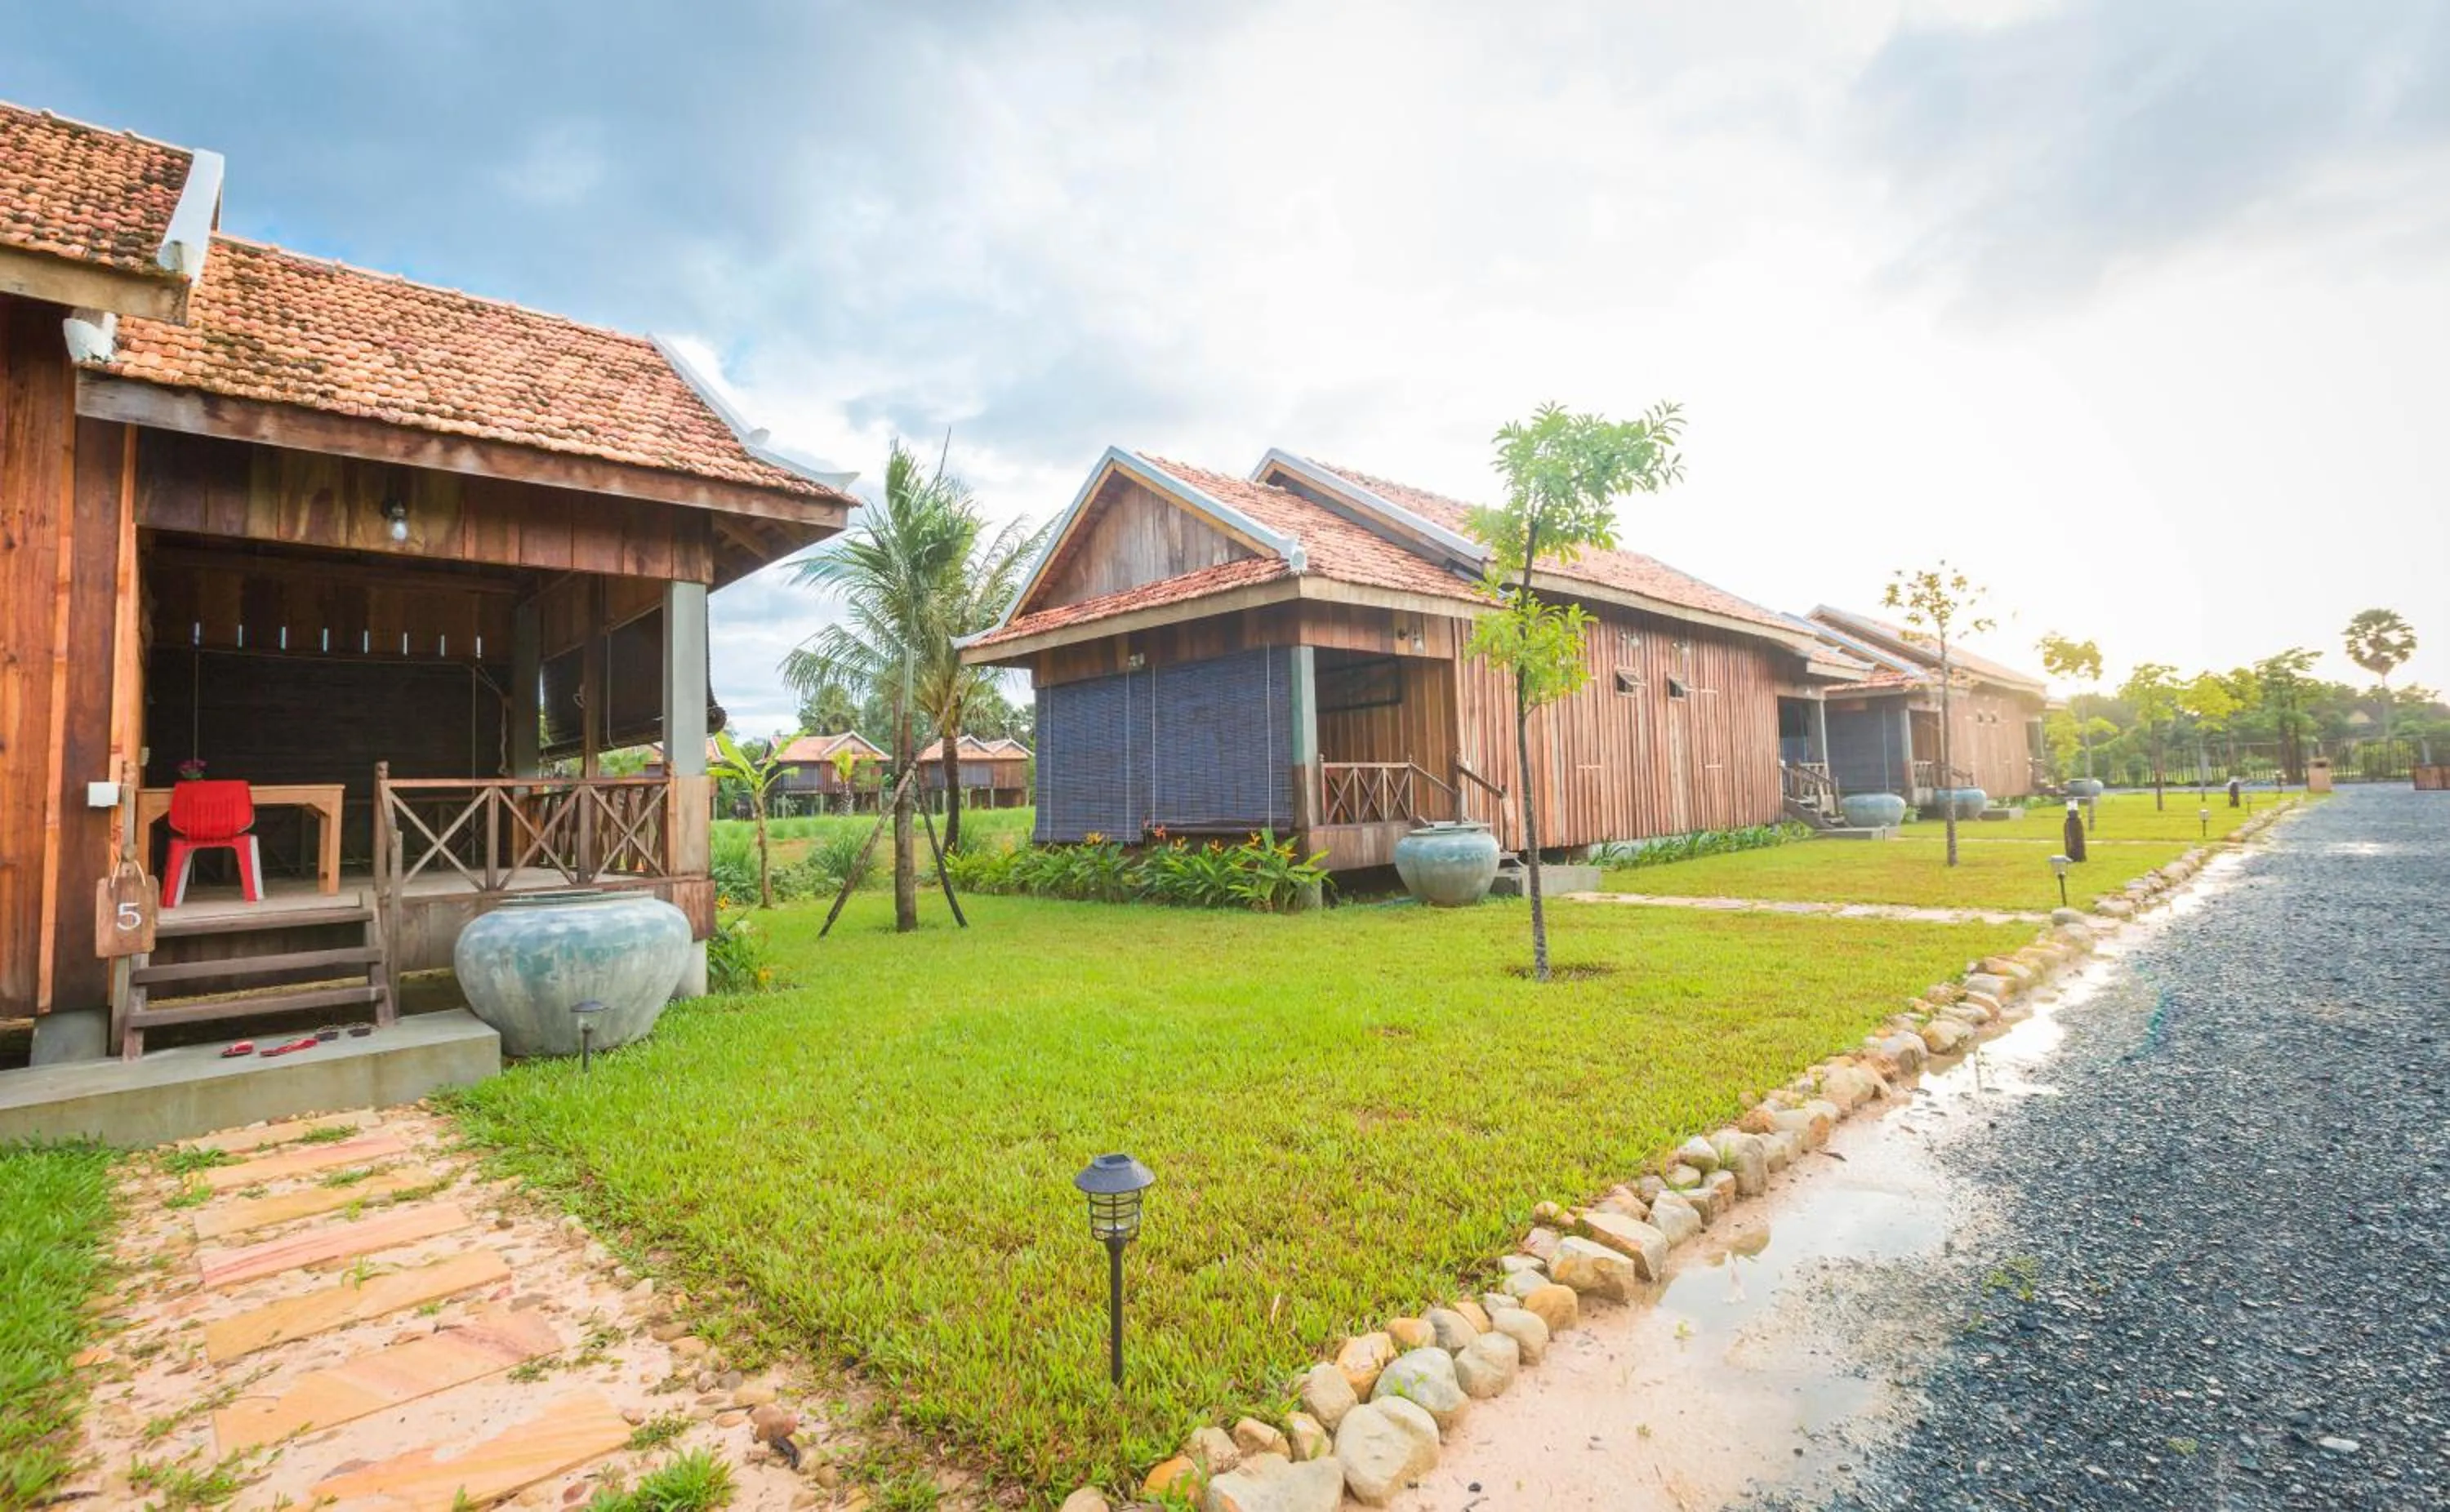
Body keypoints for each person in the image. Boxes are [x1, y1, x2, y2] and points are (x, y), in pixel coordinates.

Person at [2063, 798, 2087, 862]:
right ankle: (2073, 856)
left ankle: (2077, 856)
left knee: (2077, 841)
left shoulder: (2077, 821)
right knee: (2071, 841)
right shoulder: (2068, 822)